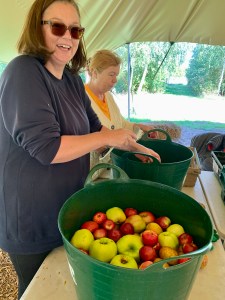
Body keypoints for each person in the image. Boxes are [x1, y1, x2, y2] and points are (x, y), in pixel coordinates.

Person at [0, 1, 160, 298]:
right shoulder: (23, 72)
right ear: (38, 27)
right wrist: (108, 139)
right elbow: (47, 148)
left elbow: (95, 127)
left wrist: (128, 142)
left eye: (75, 30)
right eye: (58, 26)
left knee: (64, 286)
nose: (68, 36)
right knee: (38, 290)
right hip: (31, 215)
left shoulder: (72, 79)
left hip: (67, 206)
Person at [85, 49, 160, 178]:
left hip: (106, 169)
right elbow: (90, 137)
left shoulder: (108, 96)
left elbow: (120, 124)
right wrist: (135, 148)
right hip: (88, 173)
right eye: (111, 74)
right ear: (95, 73)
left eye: (116, 75)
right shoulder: (81, 97)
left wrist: (139, 127)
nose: (115, 80)